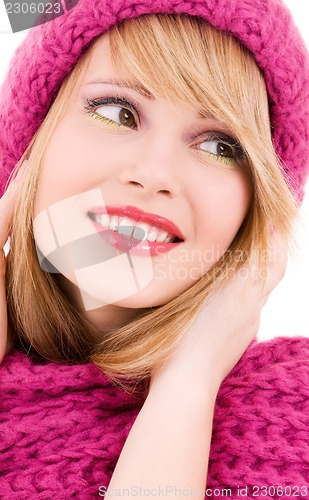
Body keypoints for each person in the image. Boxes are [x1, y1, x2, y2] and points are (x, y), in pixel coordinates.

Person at [0, 0, 308, 498]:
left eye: (218, 146)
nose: (155, 174)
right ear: (33, 141)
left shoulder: (293, 423)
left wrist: (188, 382)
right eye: (118, 113)